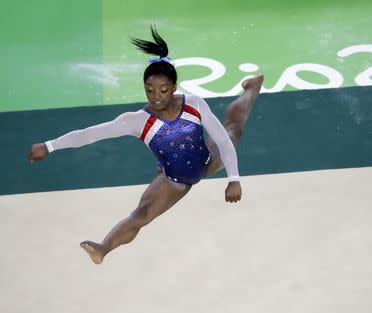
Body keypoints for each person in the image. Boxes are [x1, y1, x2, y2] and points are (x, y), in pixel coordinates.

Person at [26, 26, 264, 264]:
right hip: (174, 181)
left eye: (163, 90)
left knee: (233, 129)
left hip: (208, 161)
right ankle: (103, 248)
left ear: (174, 88)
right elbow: (90, 134)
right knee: (141, 215)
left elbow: (221, 140)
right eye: (150, 90)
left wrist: (234, 178)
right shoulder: (138, 121)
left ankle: (252, 87)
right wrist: (50, 146)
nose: (156, 96)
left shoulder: (194, 105)